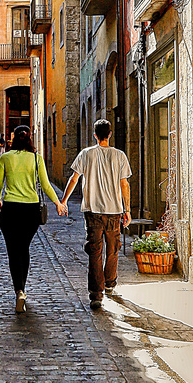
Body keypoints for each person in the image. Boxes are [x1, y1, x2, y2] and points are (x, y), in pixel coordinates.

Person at [0, 125, 67, 313]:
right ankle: (23, 290)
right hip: (30, 211)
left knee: (12, 251)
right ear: (29, 140)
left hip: (10, 209)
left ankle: (18, 290)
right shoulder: (36, 159)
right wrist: (58, 203)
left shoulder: (5, 158)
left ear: (14, 139)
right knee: (23, 248)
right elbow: (46, 184)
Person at [62, 119, 131, 309]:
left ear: (94, 134)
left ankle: (96, 294)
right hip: (114, 211)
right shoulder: (119, 155)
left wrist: (64, 200)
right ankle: (110, 283)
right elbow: (124, 184)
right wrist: (128, 210)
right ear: (109, 134)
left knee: (95, 251)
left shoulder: (86, 154)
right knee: (113, 249)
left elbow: (74, 178)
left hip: (92, 211)